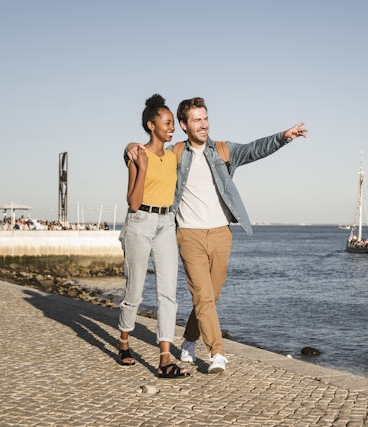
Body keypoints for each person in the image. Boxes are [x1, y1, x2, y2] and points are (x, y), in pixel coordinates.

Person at [127, 97, 307, 374]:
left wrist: (283, 137)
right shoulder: (175, 153)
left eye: (206, 118)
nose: (204, 125)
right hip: (189, 234)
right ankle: (217, 353)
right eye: (197, 120)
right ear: (184, 126)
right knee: (202, 295)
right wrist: (128, 148)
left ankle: (188, 340)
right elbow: (144, 155)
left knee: (210, 296)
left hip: (222, 233)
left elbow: (254, 149)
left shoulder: (222, 151)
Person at [117, 94, 185, 379]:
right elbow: (132, 202)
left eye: (173, 123)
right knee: (135, 289)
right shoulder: (137, 155)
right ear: (150, 125)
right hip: (140, 222)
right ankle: (123, 343)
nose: (172, 128)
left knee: (168, 293)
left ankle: (165, 359)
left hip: (167, 222)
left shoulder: (173, 156)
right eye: (167, 123)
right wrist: (141, 165)